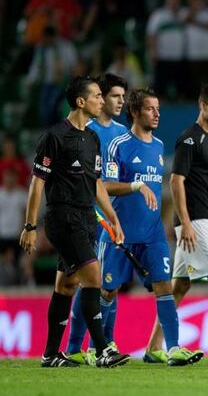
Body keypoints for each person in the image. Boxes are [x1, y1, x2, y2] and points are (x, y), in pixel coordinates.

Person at [20, 75, 130, 368]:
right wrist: (31, 226)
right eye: (96, 96)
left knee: (66, 286)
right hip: (62, 217)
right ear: (81, 102)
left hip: (86, 218)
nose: (101, 100)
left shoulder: (92, 138)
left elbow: (96, 185)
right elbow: (37, 184)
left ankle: (51, 354)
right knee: (93, 276)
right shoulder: (55, 136)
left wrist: (113, 219)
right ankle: (104, 350)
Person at [98, 88, 203, 366]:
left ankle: (174, 348)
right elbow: (104, 185)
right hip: (120, 232)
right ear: (134, 111)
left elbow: (157, 190)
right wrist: (135, 185)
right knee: (108, 290)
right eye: (150, 109)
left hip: (152, 233)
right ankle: (107, 346)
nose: (157, 114)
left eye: (158, 109)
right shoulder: (118, 144)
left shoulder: (158, 145)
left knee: (164, 286)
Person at [145, 84, 208, 361]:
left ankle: (153, 347)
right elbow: (176, 181)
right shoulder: (189, 138)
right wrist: (185, 222)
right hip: (196, 219)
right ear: (203, 105)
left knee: (180, 286)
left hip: (201, 217)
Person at [66, 72, 127, 364]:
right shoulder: (85, 132)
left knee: (109, 286)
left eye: (122, 97)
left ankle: (105, 342)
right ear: (97, 98)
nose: (119, 101)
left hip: (112, 217)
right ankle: (77, 346)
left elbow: (112, 179)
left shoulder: (122, 133)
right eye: (114, 96)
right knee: (93, 283)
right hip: (91, 217)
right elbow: (91, 182)